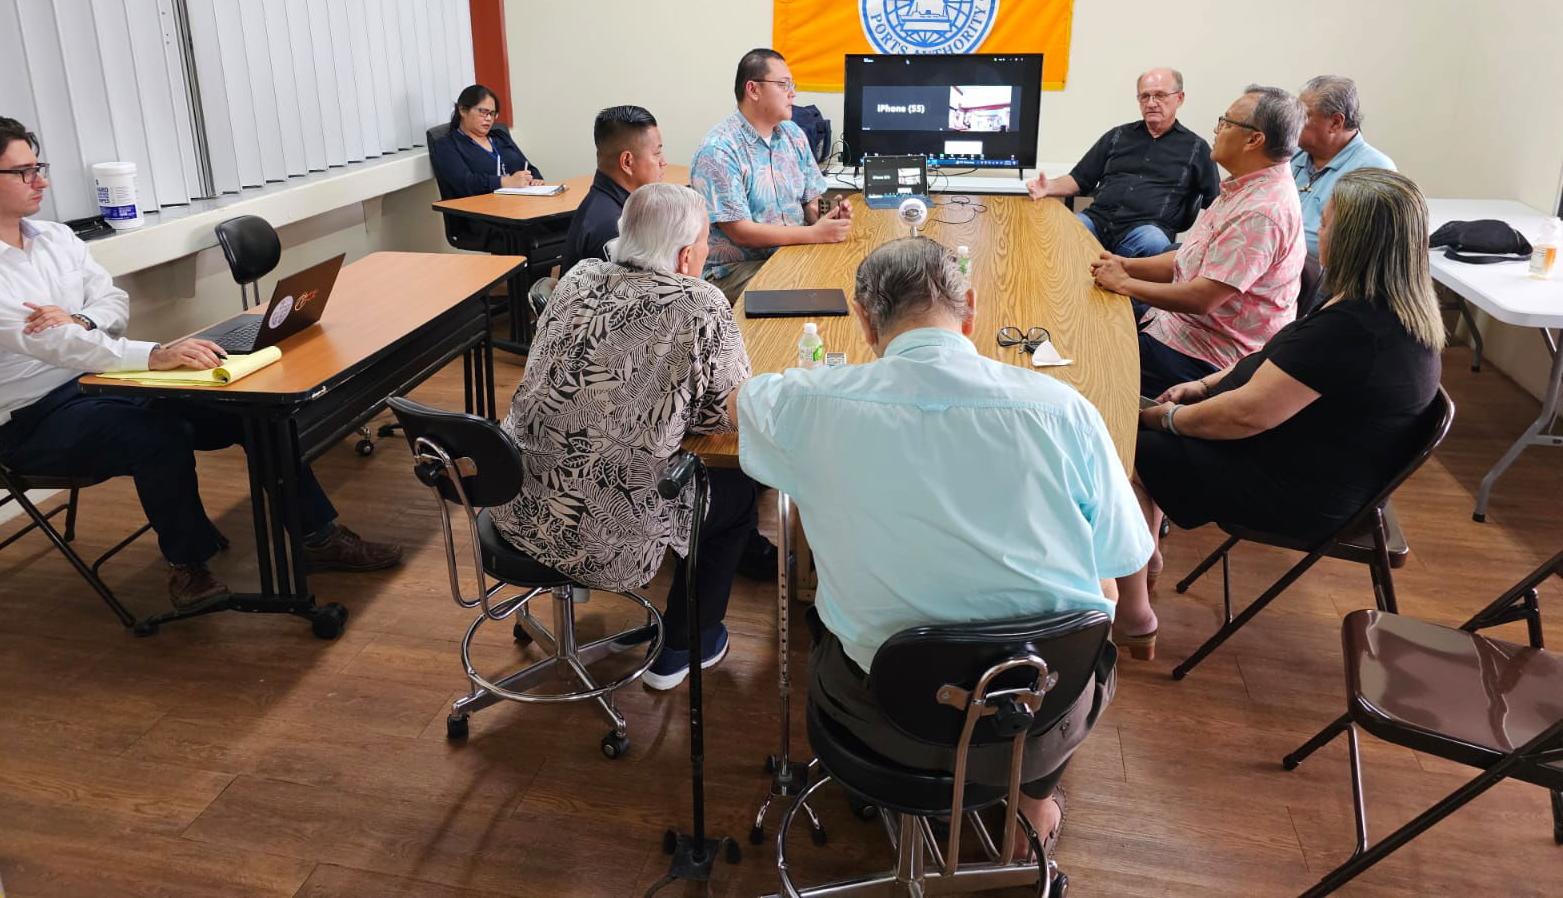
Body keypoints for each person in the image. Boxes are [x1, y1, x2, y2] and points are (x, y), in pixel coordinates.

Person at [738, 237, 1154, 857]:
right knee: (1094, 608)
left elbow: (737, 398)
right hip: (1037, 710)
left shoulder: (809, 403)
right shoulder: (1066, 410)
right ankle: (1034, 797)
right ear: (972, 309)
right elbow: (1120, 566)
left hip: (878, 715)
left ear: (862, 318)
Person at [0, 118, 401, 612]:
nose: (40, 181)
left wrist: (82, 318)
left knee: (251, 407)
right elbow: (50, 346)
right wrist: (150, 354)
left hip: (104, 379)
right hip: (33, 418)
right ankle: (188, 567)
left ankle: (318, 537)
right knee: (151, 433)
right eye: (24, 172)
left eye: (37, 168)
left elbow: (112, 302)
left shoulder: (53, 237)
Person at [1115, 169, 1445, 635]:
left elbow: (1245, 415)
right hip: (1315, 460)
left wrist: (1169, 418)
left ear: (1355, 242)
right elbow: (1275, 351)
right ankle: (1142, 562)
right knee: (1141, 434)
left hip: (1306, 493)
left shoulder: (1357, 330)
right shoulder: (1382, 303)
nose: (1318, 233)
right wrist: (1207, 385)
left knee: (1125, 448)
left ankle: (1133, 616)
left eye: (1326, 224)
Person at [495, 183, 758, 689]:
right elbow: (725, 414)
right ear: (687, 256)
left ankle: (671, 628)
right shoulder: (699, 304)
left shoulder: (578, 276)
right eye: (704, 244)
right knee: (738, 494)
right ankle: (688, 642)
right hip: (602, 532)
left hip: (520, 498)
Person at [1092, 85, 1306, 397]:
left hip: (1205, 355)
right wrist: (1125, 265)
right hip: (1177, 326)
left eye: (1226, 122)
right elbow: (1188, 257)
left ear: (1254, 139)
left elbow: (1202, 299)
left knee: (1085, 349)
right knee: (1092, 313)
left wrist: (1123, 283)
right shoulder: (1242, 186)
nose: (1217, 130)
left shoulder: (1263, 211)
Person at [690, 48, 851, 305]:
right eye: (783, 85)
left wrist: (825, 217)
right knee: (816, 292)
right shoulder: (719, 150)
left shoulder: (792, 134)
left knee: (850, 275)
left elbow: (810, 199)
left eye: (792, 84)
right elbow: (741, 232)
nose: (793, 93)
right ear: (753, 90)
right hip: (738, 269)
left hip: (792, 254)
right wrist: (815, 234)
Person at [1026, 67, 1218, 257]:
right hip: (1097, 222)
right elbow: (1079, 179)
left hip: (1146, 230)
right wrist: (1049, 187)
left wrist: (1202, 243)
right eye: (1145, 96)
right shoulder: (1117, 136)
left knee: (1155, 244)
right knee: (1059, 231)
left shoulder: (1196, 148)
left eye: (1160, 95)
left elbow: (1216, 202)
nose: (1151, 103)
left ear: (1179, 98)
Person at [1289, 76, 1396, 257]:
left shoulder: (1374, 170)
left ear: (1336, 122)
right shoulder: (1291, 155)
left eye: (1302, 116)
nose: (1292, 123)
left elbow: (1355, 249)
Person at [559, 105, 666, 275]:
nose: (663, 162)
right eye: (657, 153)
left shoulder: (608, 204)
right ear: (627, 162)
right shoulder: (612, 227)